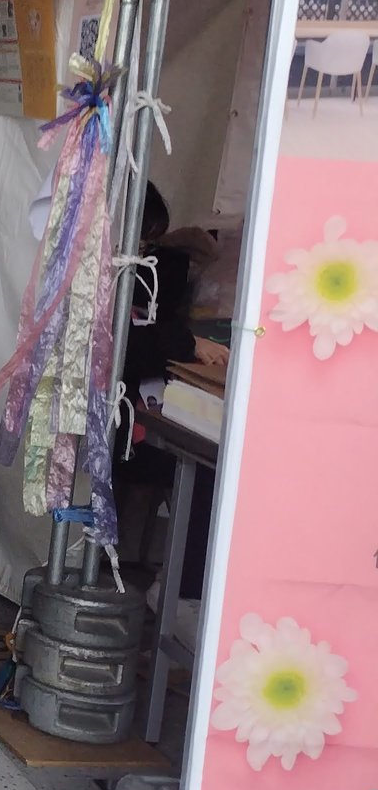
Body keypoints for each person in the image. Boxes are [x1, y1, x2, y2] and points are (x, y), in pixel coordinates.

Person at [118, 182, 224, 602]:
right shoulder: (109, 274)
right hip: (119, 405)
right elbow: (124, 343)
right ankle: (174, 587)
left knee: (184, 462)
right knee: (186, 466)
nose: (147, 250)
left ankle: (170, 580)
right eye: (144, 240)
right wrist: (187, 344)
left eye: (152, 242)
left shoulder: (153, 270)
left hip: (139, 398)